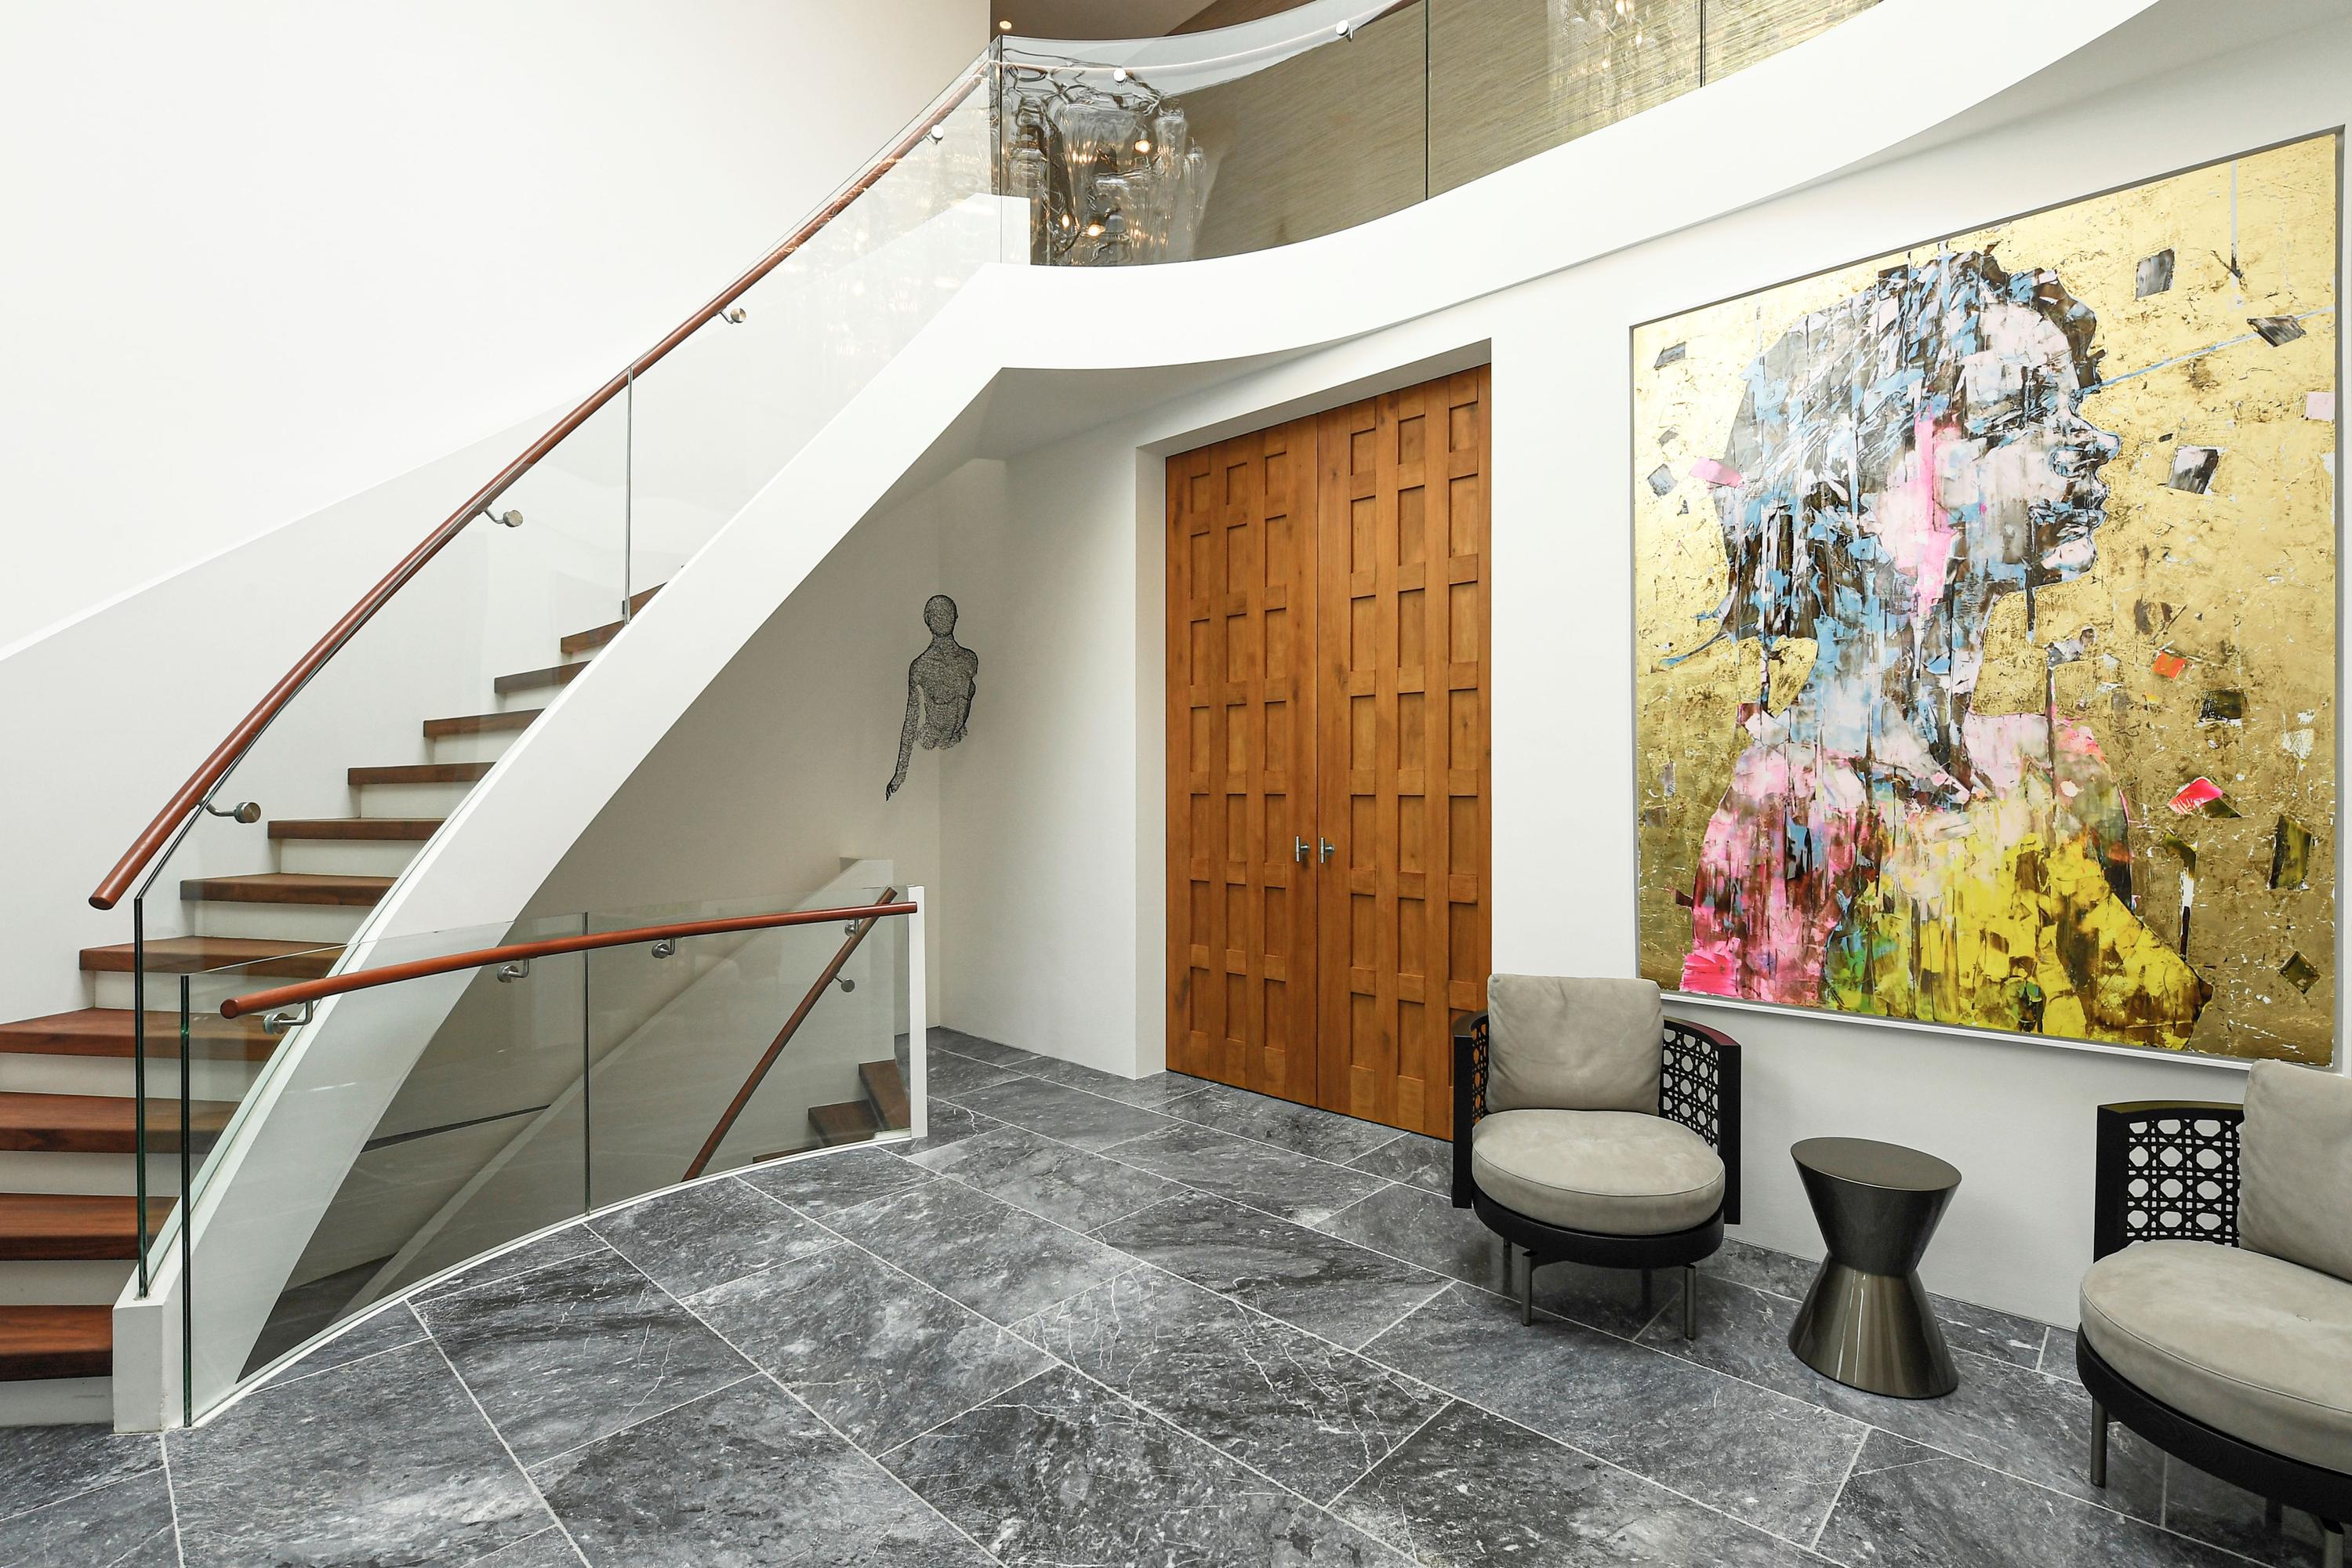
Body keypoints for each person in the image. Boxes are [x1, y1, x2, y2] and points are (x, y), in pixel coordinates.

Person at [1677, 250, 2207, 1048]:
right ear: (1861, 484)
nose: (2096, 441)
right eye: (2024, 410)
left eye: (2071, 406)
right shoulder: (1789, 808)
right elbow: (1768, 1054)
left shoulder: (2062, 767)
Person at [887, 594, 978, 800]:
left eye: (947, 613)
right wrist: (900, 773)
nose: (943, 618)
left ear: (956, 616)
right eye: (937, 614)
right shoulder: (920, 667)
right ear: (927, 620)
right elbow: (912, 720)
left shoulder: (970, 660)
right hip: (929, 753)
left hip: (962, 749)